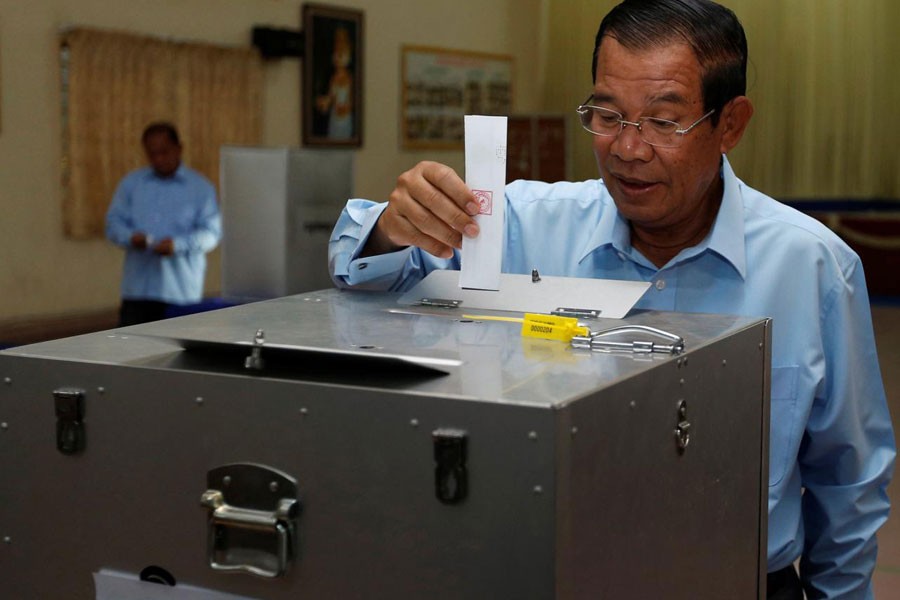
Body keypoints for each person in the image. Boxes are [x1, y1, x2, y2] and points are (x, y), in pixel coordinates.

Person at [329, 0, 895, 597]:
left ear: (730, 124)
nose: (627, 148)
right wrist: (393, 226)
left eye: (663, 121)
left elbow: (848, 480)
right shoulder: (523, 227)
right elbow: (362, 275)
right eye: (607, 114)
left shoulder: (812, 269)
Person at [106, 122, 222, 326]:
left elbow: (211, 233)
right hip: (138, 291)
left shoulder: (200, 188)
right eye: (152, 154)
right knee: (132, 351)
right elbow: (113, 223)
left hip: (181, 292)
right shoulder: (132, 184)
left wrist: (177, 245)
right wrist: (131, 237)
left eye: (164, 152)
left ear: (179, 148)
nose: (158, 159)